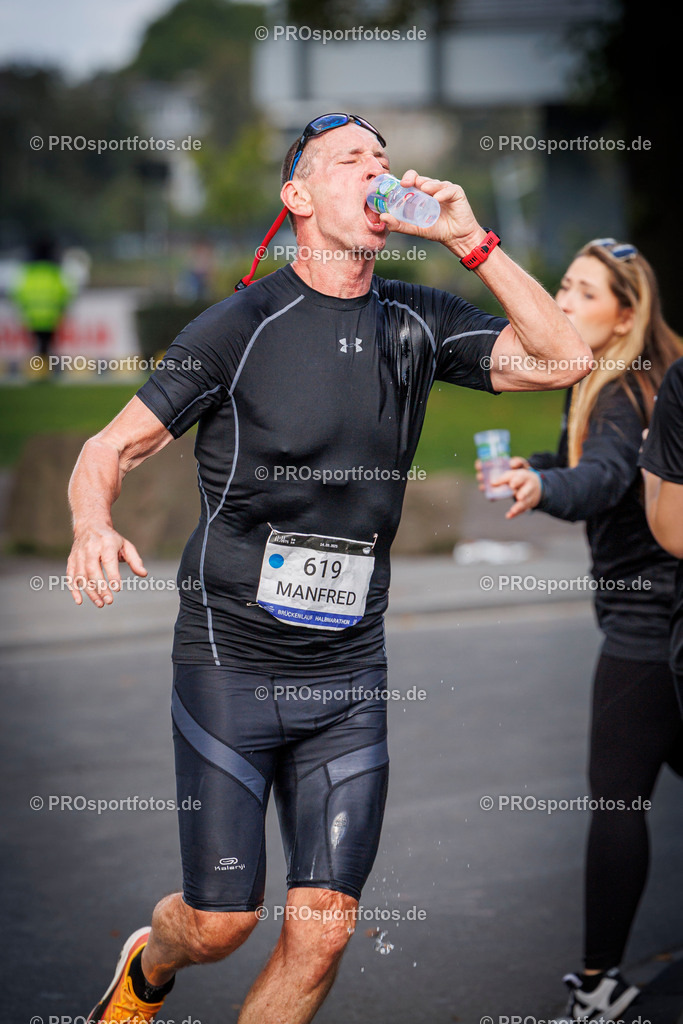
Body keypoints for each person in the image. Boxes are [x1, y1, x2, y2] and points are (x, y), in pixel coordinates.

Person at [67, 112, 591, 1024]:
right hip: (230, 660)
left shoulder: (418, 319)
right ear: (299, 197)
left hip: (348, 673)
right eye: (351, 160)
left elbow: (564, 358)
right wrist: (87, 526)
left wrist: (470, 239)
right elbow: (106, 448)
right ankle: (148, 966)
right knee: (221, 923)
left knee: (323, 933)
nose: (377, 173)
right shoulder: (240, 325)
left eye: (384, 161)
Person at [483, 239, 683, 1020]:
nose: (561, 303)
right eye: (561, 286)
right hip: (661, 614)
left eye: (580, 293)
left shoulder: (617, 392)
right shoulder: (627, 378)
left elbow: (602, 477)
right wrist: (536, 465)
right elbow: (592, 461)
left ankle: (598, 984)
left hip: (645, 622)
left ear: (623, 314)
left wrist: (544, 487)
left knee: (617, 801)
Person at [639, 357, 683, 706]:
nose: (564, 301)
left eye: (587, 296)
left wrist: (653, 470)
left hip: (635, 623)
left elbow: (677, 535)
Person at [11, 235, 73, 366]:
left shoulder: (29, 272)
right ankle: (45, 369)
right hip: (51, 316)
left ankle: (38, 369)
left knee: (37, 346)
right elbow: (65, 293)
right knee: (47, 346)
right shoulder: (54, 272)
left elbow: (18, 294)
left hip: (32, 316)